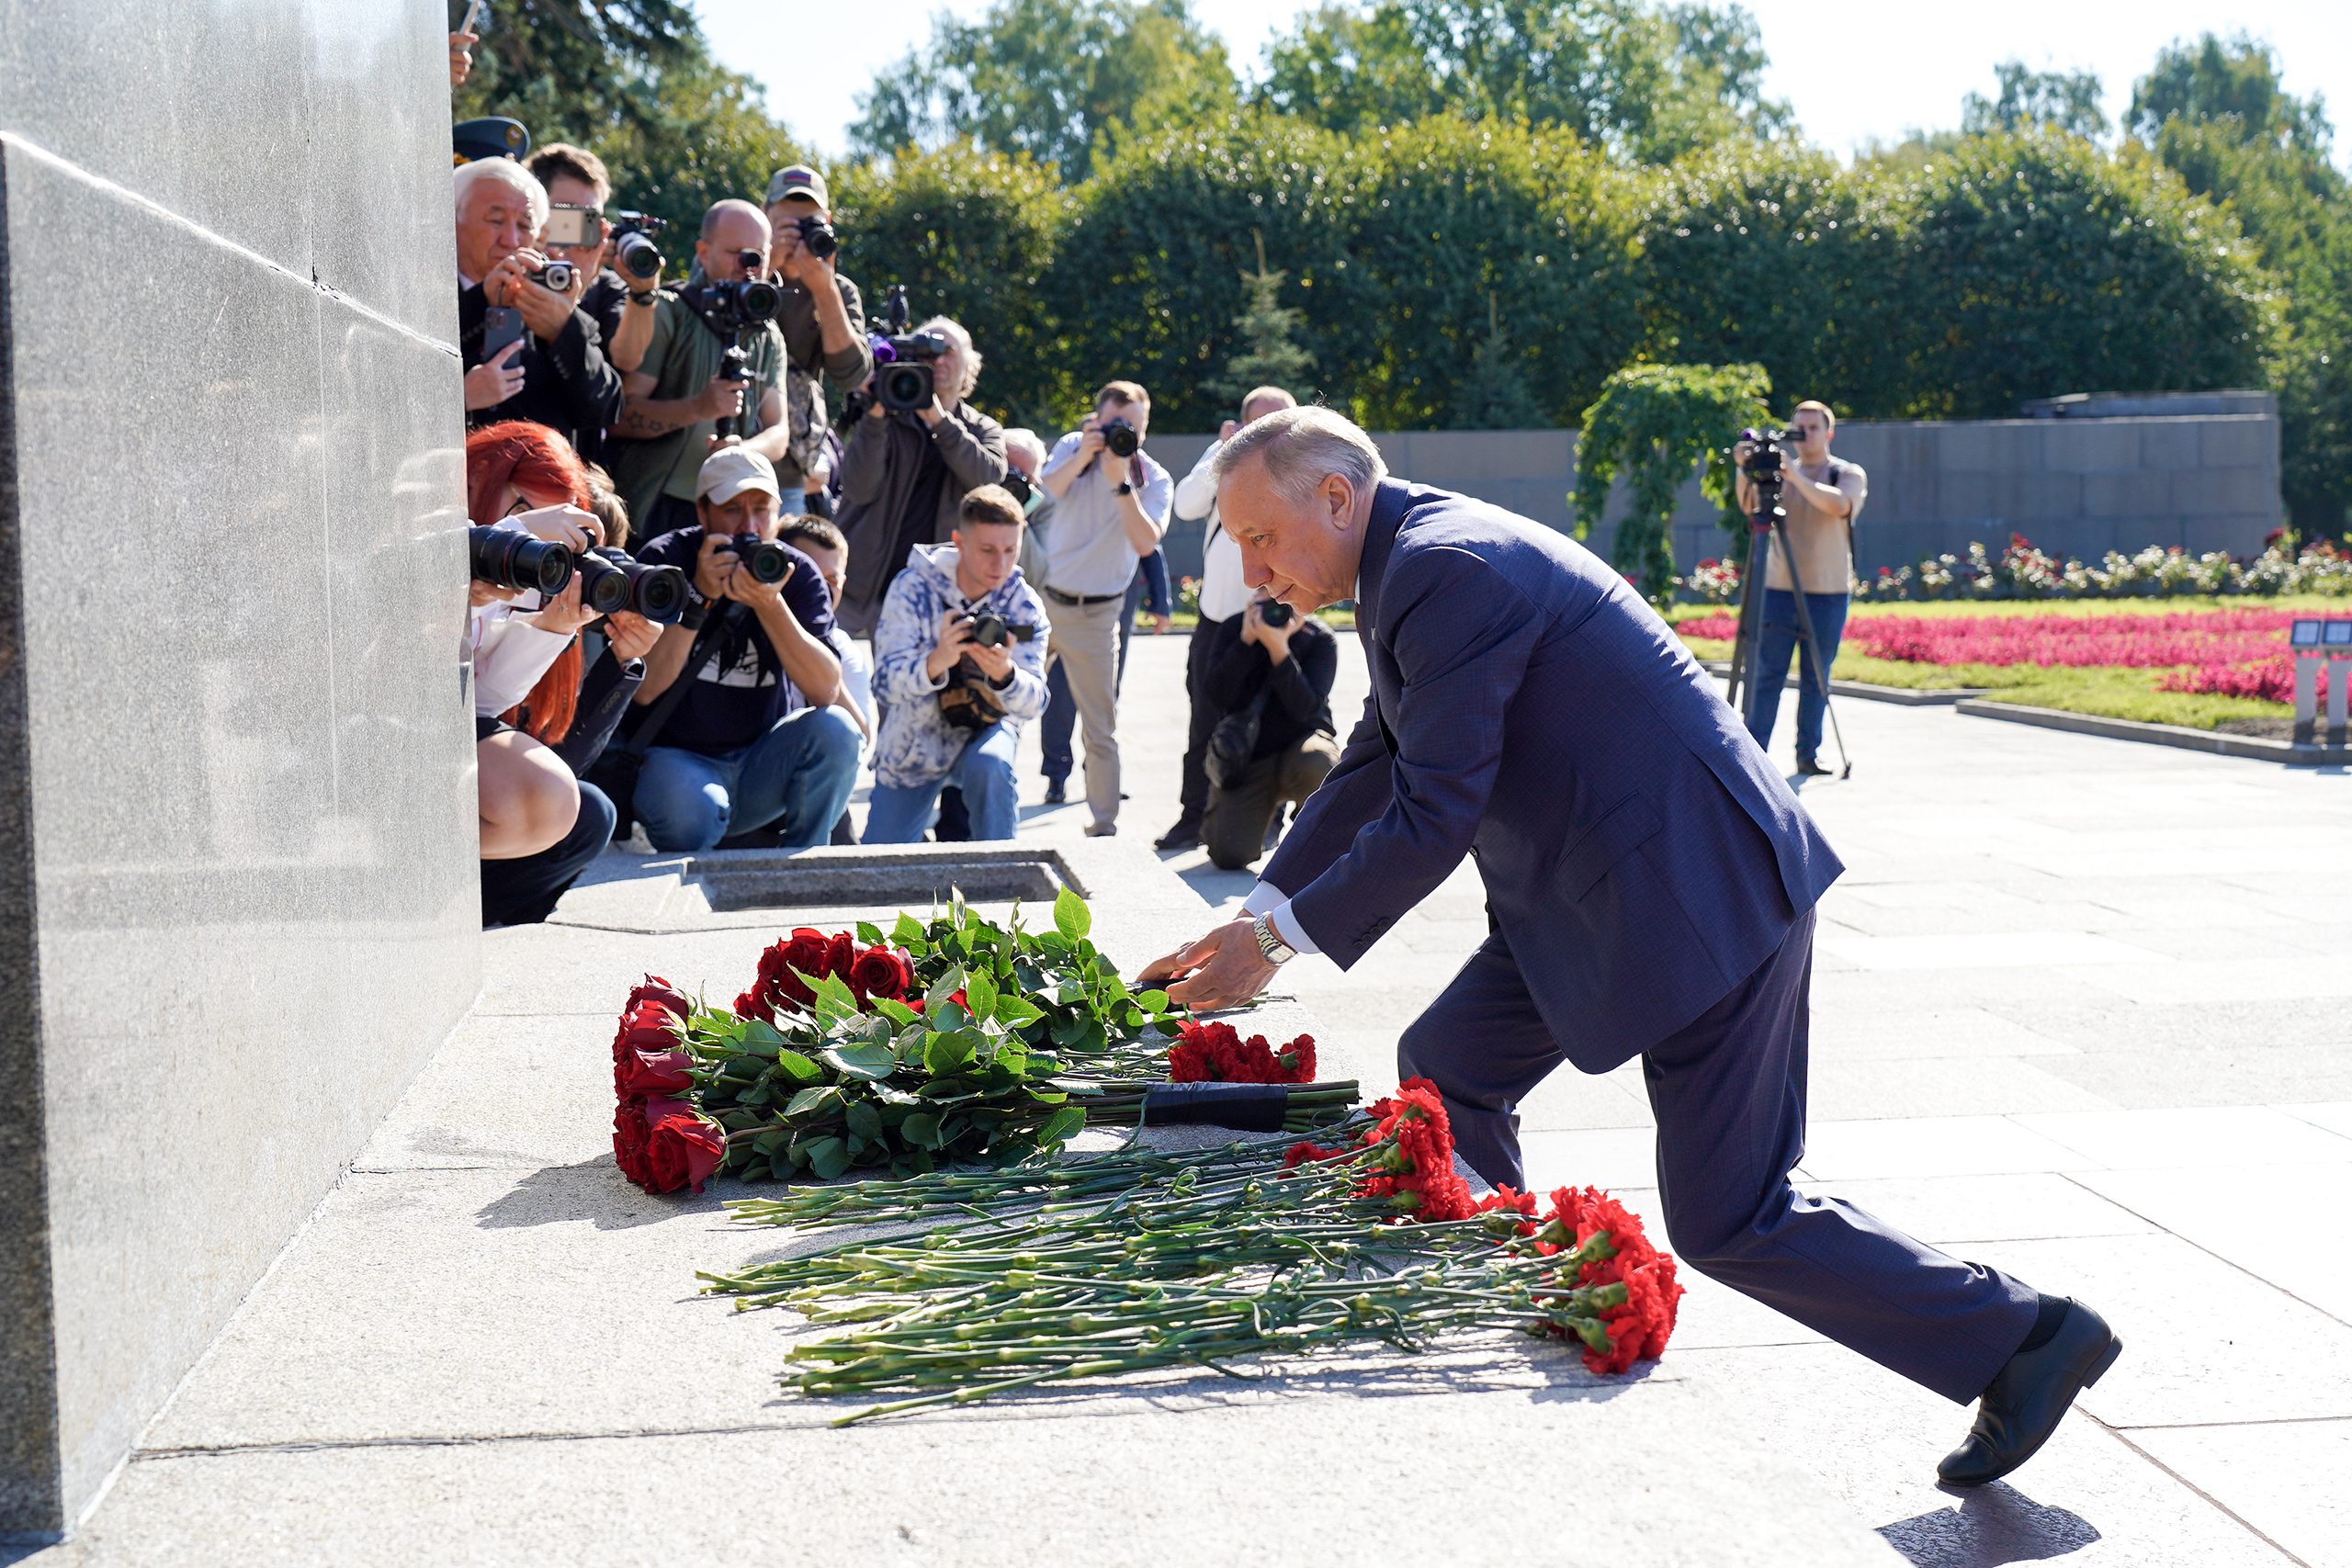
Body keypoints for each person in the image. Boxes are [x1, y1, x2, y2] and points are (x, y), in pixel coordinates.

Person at [1138, 406, 2119, 1495]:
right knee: (1449, 1066)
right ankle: (1514, 1292)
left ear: (1332, 495)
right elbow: (1382, 753)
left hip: (1695, 892)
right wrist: (1258, 906)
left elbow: (1431, 811)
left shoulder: (1442, 565)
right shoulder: (1408, 556)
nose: (1249, 566)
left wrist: (1271, 943)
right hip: (1599, 890)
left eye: (1258, 535)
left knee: (1733, 1214)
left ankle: (2028, 1337)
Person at [621, 449, 862, 851]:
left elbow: (825, 691)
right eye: (733, 510)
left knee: (838, 730)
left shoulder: (797, 572)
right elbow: (644, 689)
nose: (748, 527)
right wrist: (697, 598)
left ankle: (806, 863)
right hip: (679, 762)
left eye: (762, 510)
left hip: (763, 761)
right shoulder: (666, 561)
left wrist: (771, 605)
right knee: (687, 809)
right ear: (703, 512)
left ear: (779, 511)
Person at [467, 423, 651, 926]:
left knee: (584, 811)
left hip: (452, 754)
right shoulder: (434, 524)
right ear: (479, 477)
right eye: (524, 509)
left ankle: (481, 915)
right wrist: (509, 539)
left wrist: (556, 628)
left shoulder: (532, 570)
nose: (539, 531)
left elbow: (478, 704)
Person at [865, 486, 1053, 843]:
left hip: (986, 734)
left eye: (1010, 550)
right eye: (987, 550)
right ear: (959, 542)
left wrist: (1005, 675)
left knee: (993, 766)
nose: (1000, 564)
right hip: (913, 743)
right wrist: (936, 662)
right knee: (874, 871)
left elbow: (1035, 704)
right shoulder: (913, 589)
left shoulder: (1024, 604)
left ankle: (1001, 880)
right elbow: (884, 686)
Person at [1158, 385, 1299, 851]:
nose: (1269, 436)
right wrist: (1221, 452)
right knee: (1203, 718)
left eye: (1280, 424)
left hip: (1279, 614)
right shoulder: (1222, 459)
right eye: (1258, 426)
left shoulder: (1303, 463)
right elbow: (1185, 506)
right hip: (1217, 619)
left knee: (1272, 720)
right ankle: (1193, 816)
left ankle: (1270, 817)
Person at [603, 200, 794, 541]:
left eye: (756, 257)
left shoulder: (768, 335)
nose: (746, 267)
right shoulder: (669, 310)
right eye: (735, 253)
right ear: (703, 253)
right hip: (652, 508)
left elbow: (779, 434)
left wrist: (742, 451)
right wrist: (698, 408)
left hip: (729, 515)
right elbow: (619, 418)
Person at [1034, 381, 1172, 836]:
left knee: (1100, 727)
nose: (1125, 434)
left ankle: (1104, 825)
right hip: (1043, 600)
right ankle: (985, 807)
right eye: (1117, 425)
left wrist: (1120, 482)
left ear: (1146, 428)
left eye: (1134, 426)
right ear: (1096, 421)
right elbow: (1039, 498)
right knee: (1004, 704)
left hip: (1096, 616)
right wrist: (1082, 457)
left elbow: (1146, 541)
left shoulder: (1153, 477)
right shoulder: (1074, 448)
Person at [833, 317, 1007, 631]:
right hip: (864, 584)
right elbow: (858, 489)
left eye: (949, 352)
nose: (937, 361)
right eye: (927, 355)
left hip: (936, 592)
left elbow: (988, 483)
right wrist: (875, 414)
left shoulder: (983, 430)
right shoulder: (884, 420)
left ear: (969, 366)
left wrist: (940, 422)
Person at [1734, 400, 1867, 775]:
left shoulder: (1845, 472)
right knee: (1766, 675)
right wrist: (1745, 469)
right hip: (1778, 589)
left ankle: (1808, 753)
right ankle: (1752, 755)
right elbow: (1748, 507)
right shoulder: (1778, 475)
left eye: (1812, 427)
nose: (1804, 435)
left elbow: (1840, 506)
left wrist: (1795, 476)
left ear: (1829, 432)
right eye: (1798, 427)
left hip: (1827, 592)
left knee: (1816, 677)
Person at [455, 160, 624, 453]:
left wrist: (562, 330)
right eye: (495, 220)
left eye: (524, 225)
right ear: (454, 220)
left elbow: (605, 408)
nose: (511, 240)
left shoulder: (551, 306)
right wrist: (460, 399)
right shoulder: (418, 297)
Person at [1197, 590, 1338, 870]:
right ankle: (1258, 814)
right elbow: (1216, 697)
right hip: (1249, 754)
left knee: (1319, 761)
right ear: (1252, 602)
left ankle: (1314, 836)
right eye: (1266, 603)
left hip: (1300, 748)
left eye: (1283, 603)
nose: (1276, 611)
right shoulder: (1235, 629)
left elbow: (1306, 709)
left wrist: (1280, 650)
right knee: (1229, 855)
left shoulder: (1318, 638)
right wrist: (1246, 642)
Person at [763, 165, 873, 517]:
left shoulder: (838, 291)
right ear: (765, 216)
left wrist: (823, 290)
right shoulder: (738, 271)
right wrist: (766, 271)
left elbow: (851, 376)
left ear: (826, 221)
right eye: (788, 225)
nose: (799, 235)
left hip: (788, 475)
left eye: (808, 223)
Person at [526, 144, 659, 396]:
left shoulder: (606, 286)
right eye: (567, 216)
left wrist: (643, 292)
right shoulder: (510, 271)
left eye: (590, 218)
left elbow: (627, 360)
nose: (580, 230)